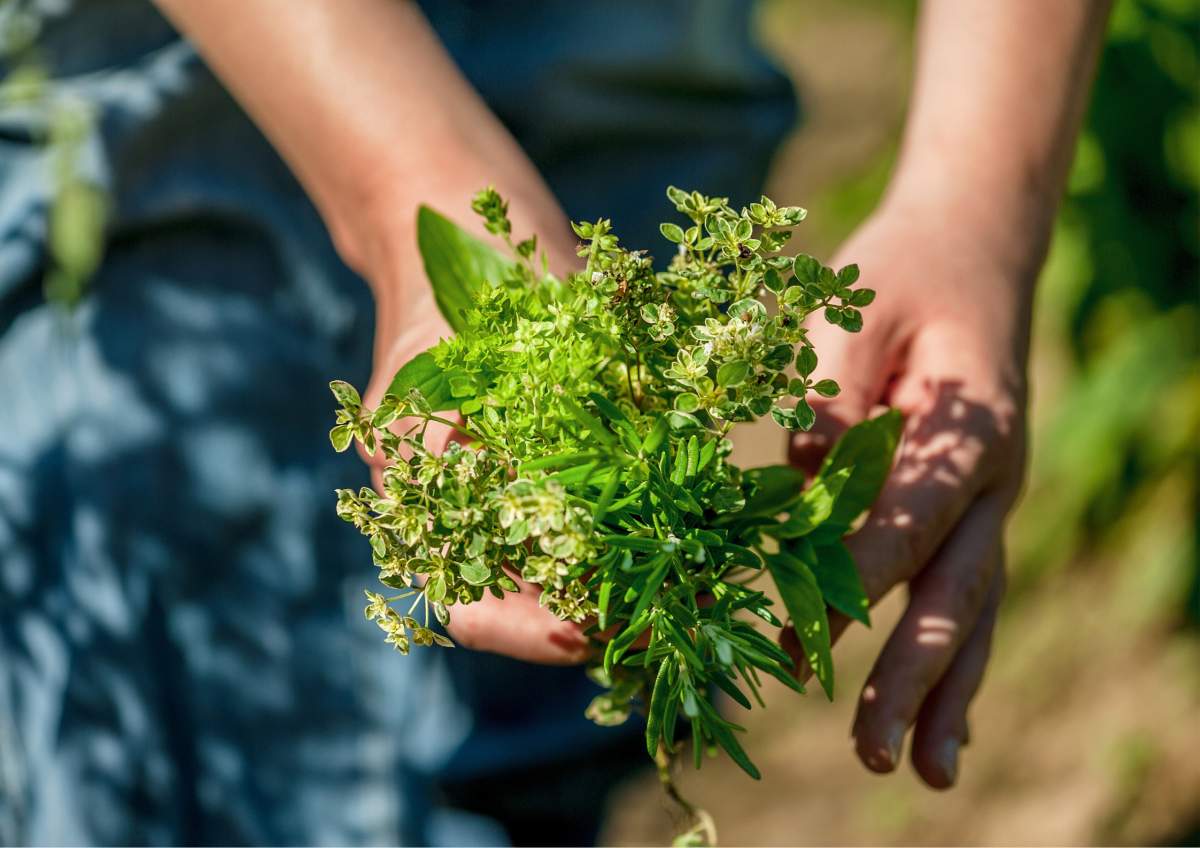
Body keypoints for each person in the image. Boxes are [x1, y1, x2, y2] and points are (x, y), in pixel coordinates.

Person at [0, 0, 1111, 844]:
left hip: (622, 55)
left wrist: (978, 201)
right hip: (197, 73)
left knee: (553, 673)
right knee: (185, 729)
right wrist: (410, 191)